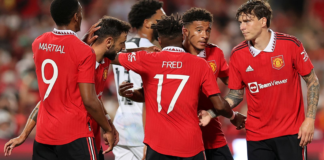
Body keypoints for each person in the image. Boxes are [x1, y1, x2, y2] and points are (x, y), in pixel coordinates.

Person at [112, 14, 246, 160]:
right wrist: (233, 116)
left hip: (158, 146)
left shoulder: (147, 59)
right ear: (183, 36)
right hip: (191, 146)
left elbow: (111, 55)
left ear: (159, 40)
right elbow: (220, 105)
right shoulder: (200, 64)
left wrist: (142, 50)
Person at [205, 1, 319, 160]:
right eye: (240, 23)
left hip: (291, 133)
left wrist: (309, 120)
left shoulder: (290, 44)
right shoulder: (238, 54)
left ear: (263, 21)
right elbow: (236, 95)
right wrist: (211, 112)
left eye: (247, 21)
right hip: (257, 137)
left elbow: (313, 82)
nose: (242, 27)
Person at [3, 1, 116, 159]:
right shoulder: (83, 52)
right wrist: (109, 128)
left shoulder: (38, 43)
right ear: (76, 17)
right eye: (81, 12)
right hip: (75, 135)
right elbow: (89, 100)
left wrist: (24, 134)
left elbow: (51, 89)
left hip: (44, 136)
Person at [111, 0, 164, 159]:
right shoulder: (154, 53)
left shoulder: (119, 46)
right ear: (147, 23)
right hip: (144, 127)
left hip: (121, 124)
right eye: (160, 19)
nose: (163, 24)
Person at [181, 7, 234, 160]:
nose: (204, 35)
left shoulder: (215, 53)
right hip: (182, 136)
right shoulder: (174, 56)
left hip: (213, 134)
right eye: (199, 30)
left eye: (207, 30)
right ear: (185, 31)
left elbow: (235, 84)